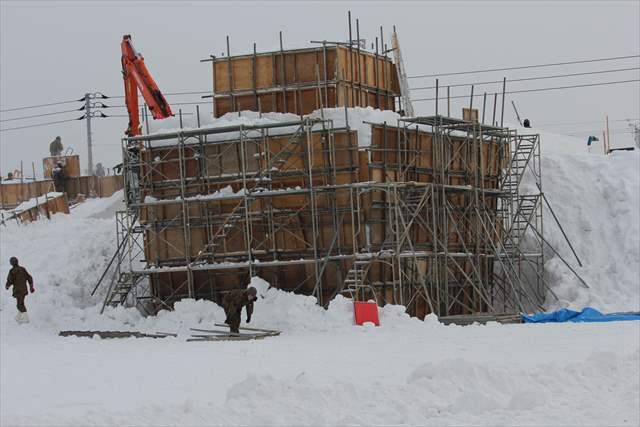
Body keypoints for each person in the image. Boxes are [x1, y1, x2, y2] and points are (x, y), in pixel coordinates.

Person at [5, 257, 34, 323]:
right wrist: (31, 287)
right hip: (24, 290)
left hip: (18, 290)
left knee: (19, 304)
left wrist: (7, 286)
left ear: (11, 263)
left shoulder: (12, 271)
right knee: (21, 302)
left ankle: (26, 319)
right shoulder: (22, 269)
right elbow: (29, 278)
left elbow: (10, 280)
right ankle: (18, 317)